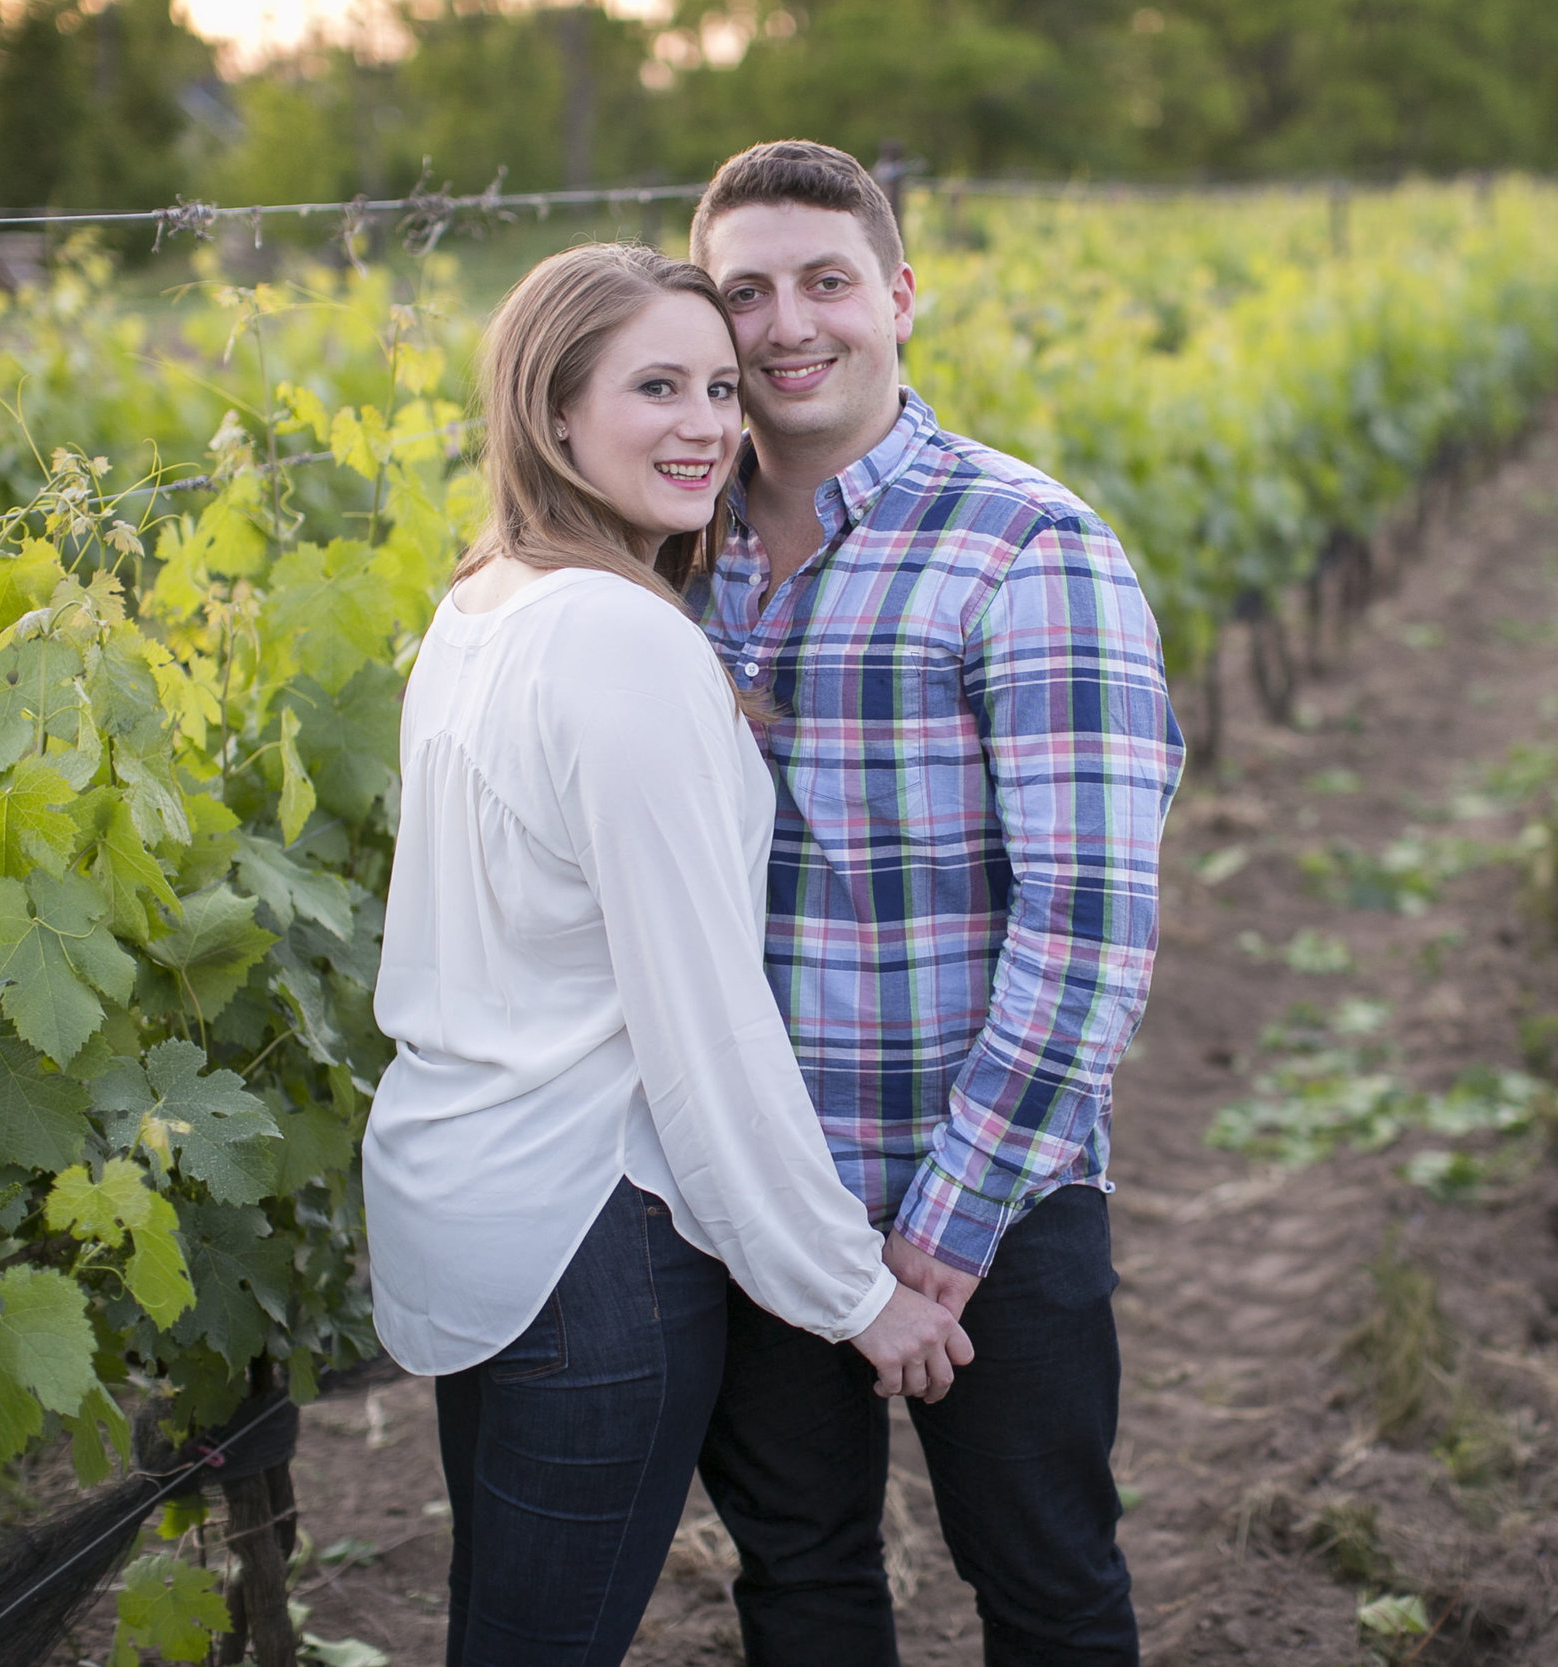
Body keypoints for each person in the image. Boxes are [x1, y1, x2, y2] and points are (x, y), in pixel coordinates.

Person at [361, 242, 973, 1667]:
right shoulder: (622, 643)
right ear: (552, 411)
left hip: (481, 1192)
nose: (708, 423)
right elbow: (701, 1031)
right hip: (597, 1234)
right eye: (655, 386)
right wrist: (849, 1290)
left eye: (716, 384)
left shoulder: (484, 600)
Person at [688, 142, 1188, 1667]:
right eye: (746, 293)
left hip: (991, 1199)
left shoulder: (1028, 547)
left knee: (1042, 1582)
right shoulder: (666, 557)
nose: (789, 326)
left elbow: (1089, 926)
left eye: (827, 283)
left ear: (899, 297)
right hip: (756, 1197)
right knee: (800, 1579)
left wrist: (949, 1223)